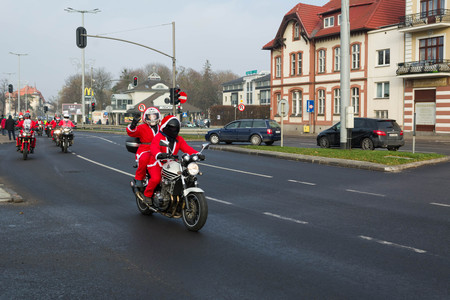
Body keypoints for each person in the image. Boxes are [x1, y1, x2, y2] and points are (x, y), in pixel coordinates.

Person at [144, 115, 198, 204]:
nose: (174, 130)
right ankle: (147, 195)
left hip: (171, 164)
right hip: (157, 163)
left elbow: (187, 148)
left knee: (184, 177)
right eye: (172, 128)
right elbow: (154, 147)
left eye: (176, 128)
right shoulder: (159, 137)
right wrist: (159, 154)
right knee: (156, 179)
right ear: (165, 126)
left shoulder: (179, 139)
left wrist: (197, 154)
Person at [126, 107, 161, 188]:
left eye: (154, 116)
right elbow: (131, 133)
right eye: (150, 116)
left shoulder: (162, 127)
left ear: (158, 116)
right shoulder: (142, 127)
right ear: (146, 117)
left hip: (160, 149)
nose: (152, 118)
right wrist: (133, 125)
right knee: (144, 159)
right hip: (146, 149)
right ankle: (139, 179)